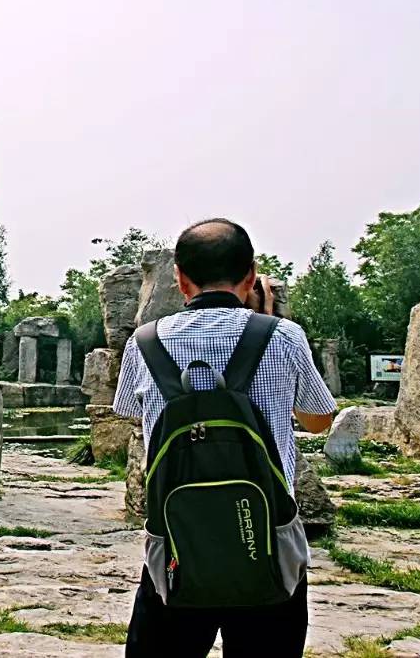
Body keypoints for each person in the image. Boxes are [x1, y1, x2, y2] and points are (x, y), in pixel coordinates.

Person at [113, 218, 336, 657]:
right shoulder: (284, 337)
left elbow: (129, 412)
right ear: (251, 275)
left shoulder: (144, 343)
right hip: (266, 541)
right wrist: (266, 324)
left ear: (178, 277)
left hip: (176, 543)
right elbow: (318, 420)